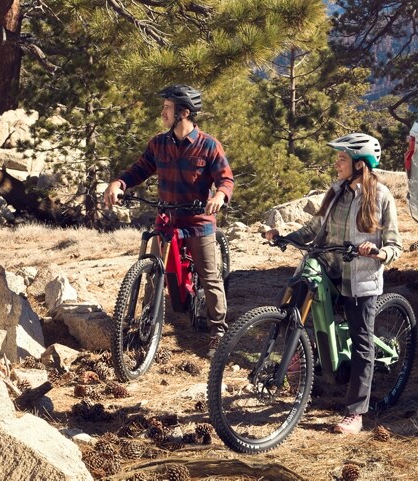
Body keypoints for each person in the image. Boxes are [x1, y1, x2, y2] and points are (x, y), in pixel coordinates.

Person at [266, 132, 402, 434]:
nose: (336, 163)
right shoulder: (337, 190)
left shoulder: (380, 196)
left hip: (360, 277)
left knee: (362, 341)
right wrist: (286, 238)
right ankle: (295, 361)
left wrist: (379, 251)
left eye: (342, 158)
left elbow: (395, 244)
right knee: (296, 295)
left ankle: (356, 414)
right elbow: (315, 227)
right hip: (329, 267)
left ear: (359, 164)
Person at [103, 84, 234, 349]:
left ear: (183, 113)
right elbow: (139, 170)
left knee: (210, 276)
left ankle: (218, 330)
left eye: (167, 108)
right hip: (167, 219)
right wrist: (119, 183)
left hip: (198, 221)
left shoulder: (208, 145)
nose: (162, 112)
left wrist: (219, 196)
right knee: (153, 272)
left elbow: (225, 179)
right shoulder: (158, 144)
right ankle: (146, 323)